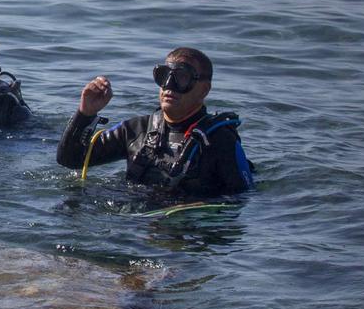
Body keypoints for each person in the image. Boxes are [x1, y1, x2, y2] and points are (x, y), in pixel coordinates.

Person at [57, 46, 255, 198]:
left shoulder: (220, 141)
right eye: (164, 76)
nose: (169, 86)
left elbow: (242, 199)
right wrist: (85, 114)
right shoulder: (136, 130)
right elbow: (71, 160)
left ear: (204, 90)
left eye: (182, 78)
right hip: (135, 226)